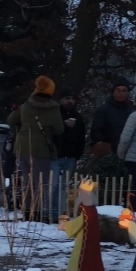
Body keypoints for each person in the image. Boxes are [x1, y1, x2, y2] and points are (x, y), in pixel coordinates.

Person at [7, 75, 64, 222]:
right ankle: (36, 212)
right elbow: (59, 130)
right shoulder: (53, 108)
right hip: (40, 150)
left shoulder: (26, 106)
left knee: (27, 182)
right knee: (39, 184)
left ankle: (27, 212)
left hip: (21, 148)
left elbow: (11, 119)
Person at [50, 87, 86, 220]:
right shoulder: (54, 116)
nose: (70, 101)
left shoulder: (78, 117)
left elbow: (81, 137)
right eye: (67, 98)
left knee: (64, 186)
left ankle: (61, 212)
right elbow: (50, 133)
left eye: (72, 99)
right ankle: (51, 212)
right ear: (61, 100)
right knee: (53, 185)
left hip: (71, 157)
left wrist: (77, 154)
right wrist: (63, 124)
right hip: (55, 156)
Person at [58, 176, 105, 271]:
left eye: (81, 192)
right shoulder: (91, 210)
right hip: (88, 239)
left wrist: (64, 225)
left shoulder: (88, 212)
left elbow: (78, 223)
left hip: (85, 242)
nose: (79, 193)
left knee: (82, 260)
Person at [89, 76, 134, 156]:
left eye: (124, 91)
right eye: (118, 90)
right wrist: (105, 146)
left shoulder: (132, 111)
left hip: (129, 152)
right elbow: (95, 131)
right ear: (113, 92)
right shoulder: (103, 110)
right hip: (109, 154)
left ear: (128, 93)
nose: (121, 93)